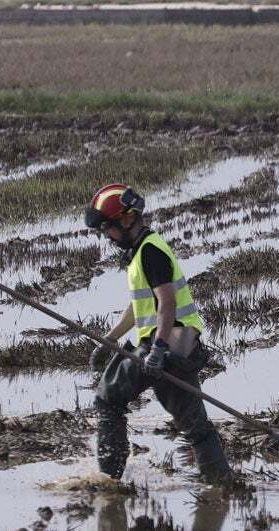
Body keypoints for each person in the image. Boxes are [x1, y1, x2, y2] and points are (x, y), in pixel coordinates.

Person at [84, 183, 231, 483]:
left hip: (166, 348)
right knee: (196, 427)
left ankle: (109, 480)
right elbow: (142, 307)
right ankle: (222, 485)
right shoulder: (144, 251)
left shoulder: (150, 253)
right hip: (176, 347)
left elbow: (167, 303)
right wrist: (111, 339)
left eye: (108, 229)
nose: (108, 237)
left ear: (127, 220)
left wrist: (159, 348)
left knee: (107, 399)